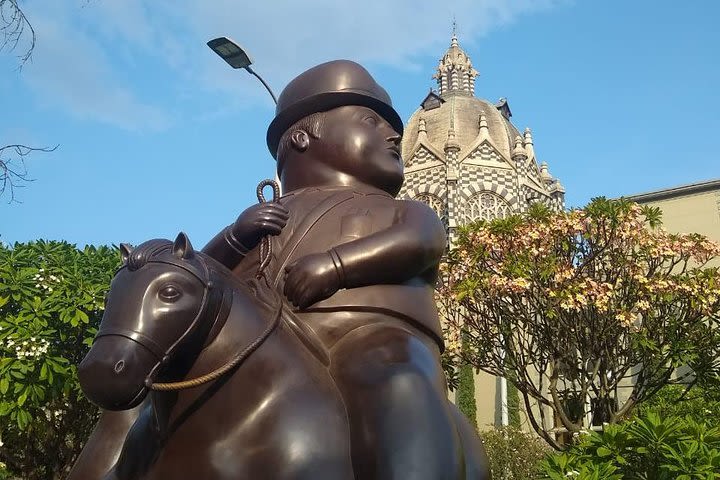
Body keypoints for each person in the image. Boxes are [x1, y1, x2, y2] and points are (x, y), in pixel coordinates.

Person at [203, 60, 480, 479]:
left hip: (370, 339)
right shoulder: (263, 219)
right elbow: (200, 278)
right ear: (300, 137)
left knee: (400, 380)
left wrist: (336, 265)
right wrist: (235, 238)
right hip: (266, 353)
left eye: (395, 131)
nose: (392, 135)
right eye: (370, 121)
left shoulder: (402, 210)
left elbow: (423, 239)